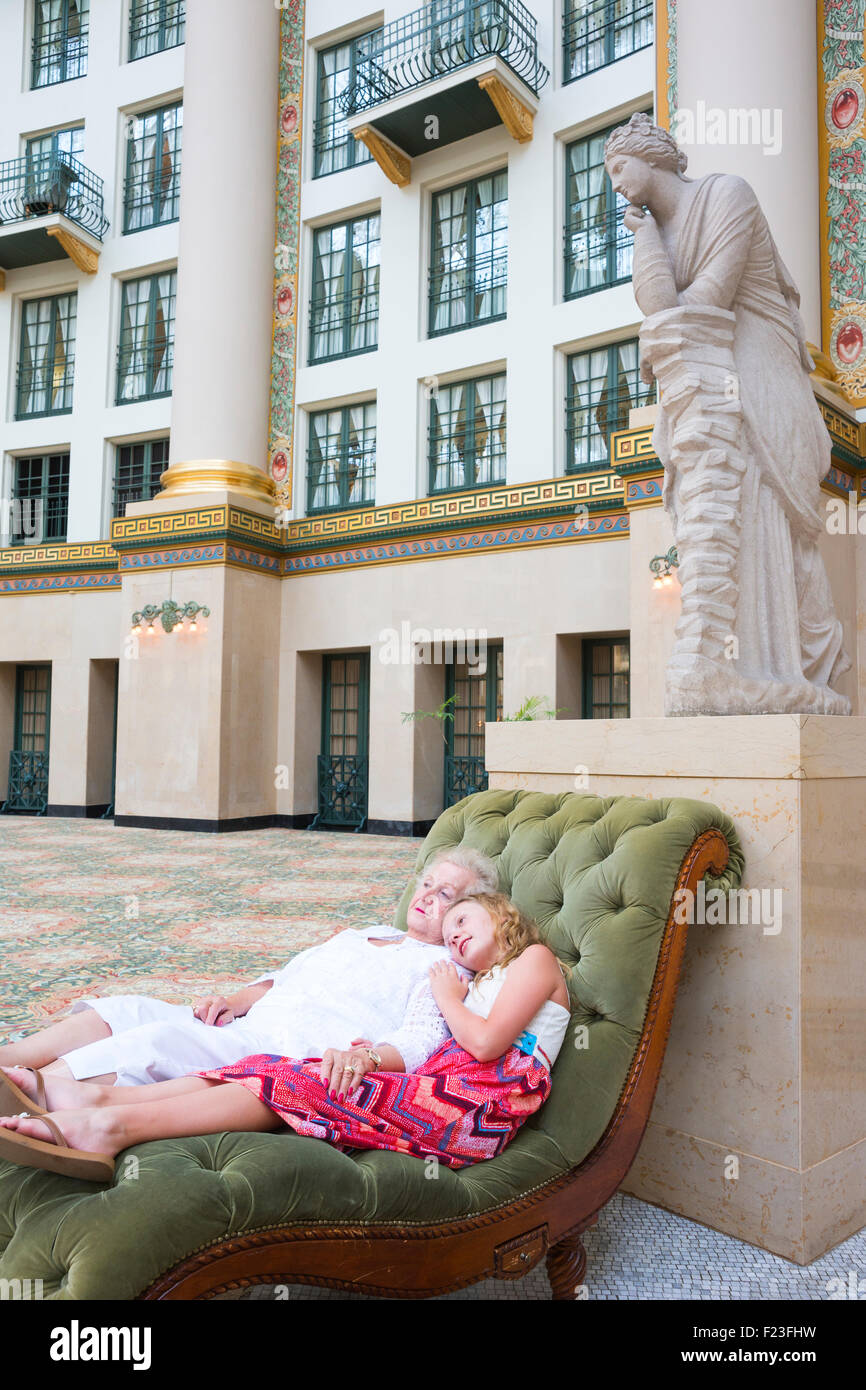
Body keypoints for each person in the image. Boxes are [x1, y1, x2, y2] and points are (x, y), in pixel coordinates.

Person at [0, 892, 571, 1180]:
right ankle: (98, 1102)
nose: (453, 937)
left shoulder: (534, 959)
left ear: (504, 916)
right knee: (269, 1070)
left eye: (463, 920)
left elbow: (487, 1045)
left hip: (474, 1111)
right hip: (444, 1093)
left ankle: (107, 1122)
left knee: (294, 1079)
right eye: (449, 934)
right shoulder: (473, 976)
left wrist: (443, 997)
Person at [603, 112, 850, 713]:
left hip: (758, 378)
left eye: (618, 167)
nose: (614, 183)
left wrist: (666, 323)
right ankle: (743, 671)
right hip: (701, 387)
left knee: (765, 511)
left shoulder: (728, 195)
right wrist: (643, 238)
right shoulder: (654, 231)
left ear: (650, 156)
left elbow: (707, 301)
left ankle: (800, 667)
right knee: (715, 510)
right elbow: (662, 309)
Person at [0, 848, 498, 1094]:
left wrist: (369, 1059)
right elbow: (287, 974)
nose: (427, 896)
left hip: (281, 1049)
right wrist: (236, 999)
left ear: (469, 914)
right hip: (249, 1021)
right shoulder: (363, 932)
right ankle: (12, 1060)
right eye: (426, 883)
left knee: (155, 1045)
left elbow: (421, 1039)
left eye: (446, 894)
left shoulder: (443, 970)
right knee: (125, 1010)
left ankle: (34, 1095)